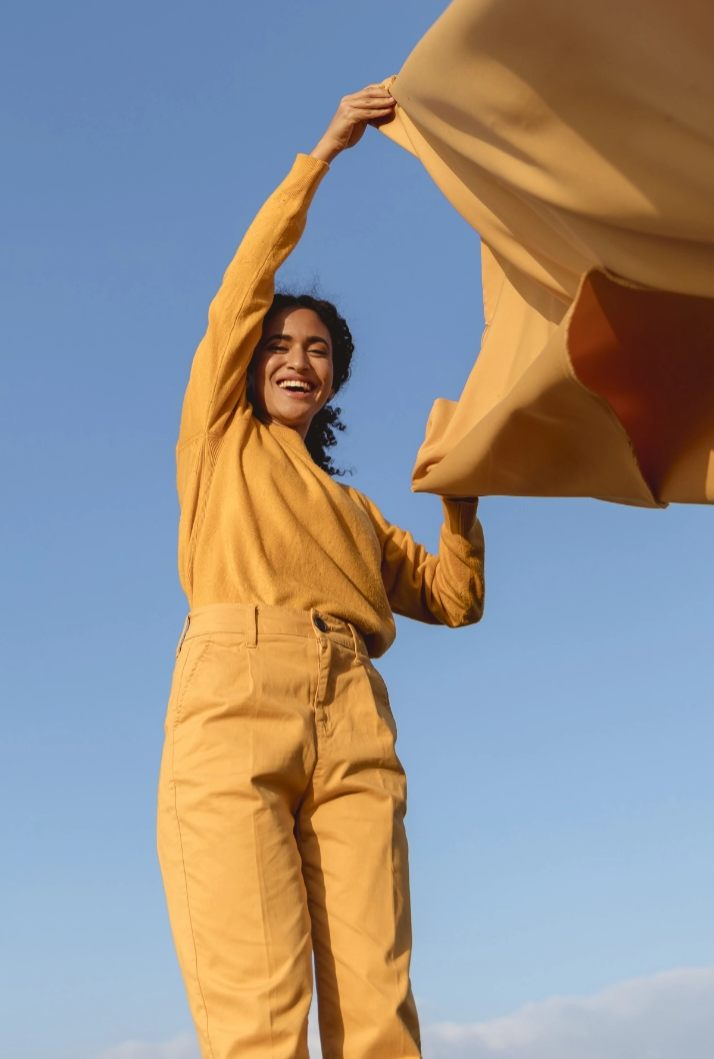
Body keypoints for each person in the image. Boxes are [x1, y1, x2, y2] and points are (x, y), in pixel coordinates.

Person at [159, 83, 487, 1059]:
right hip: (234, 697)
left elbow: (453, 599)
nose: (298, 358)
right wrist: (325, 152)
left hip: (353, 707)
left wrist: (459, 498)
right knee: (259, 1012)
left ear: (334, 378)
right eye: (282, 345)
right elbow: (239, 293)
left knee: (380, 1013)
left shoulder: (355, 513)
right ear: (251, 362)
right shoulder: (220, 440)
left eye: (319, 351)